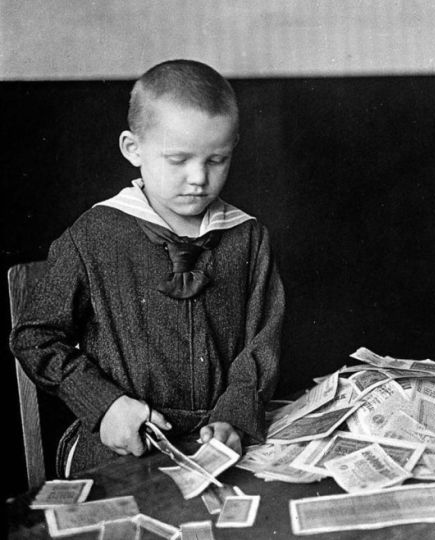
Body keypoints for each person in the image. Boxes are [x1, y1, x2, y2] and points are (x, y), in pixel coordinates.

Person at [10, 59, 284, 475]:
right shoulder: (95, 234)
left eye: (217, 160)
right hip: (120, 440)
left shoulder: (248, 236)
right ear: (132, 148)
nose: (198, 178)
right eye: (178, 159)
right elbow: (35, 337)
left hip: (219, 433)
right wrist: (104, 405)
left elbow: (262, 339)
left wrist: (234, 413)